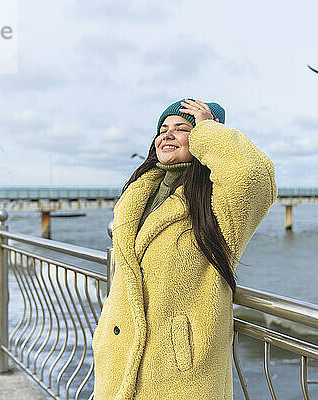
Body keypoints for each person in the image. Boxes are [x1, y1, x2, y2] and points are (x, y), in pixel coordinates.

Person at [92, 98, 277, 399]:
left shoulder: (218, 206)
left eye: (181, 128)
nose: (167, 134)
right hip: (118, 362)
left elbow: (252, 176)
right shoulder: (140, 195)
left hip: (178, 374)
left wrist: (208, 129)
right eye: (163, 129)